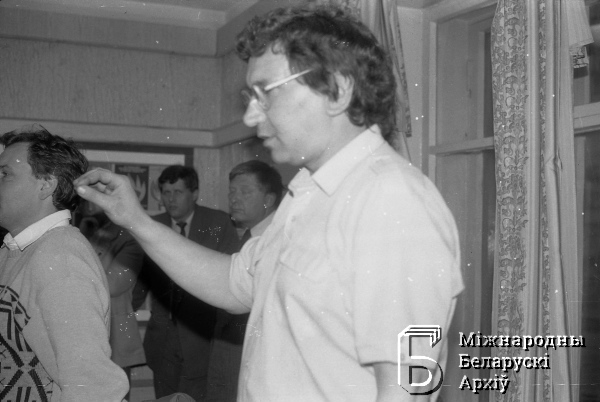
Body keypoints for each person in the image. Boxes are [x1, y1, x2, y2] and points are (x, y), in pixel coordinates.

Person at [75, 5, 464, 402]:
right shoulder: (308, 194)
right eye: (251, 96)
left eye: (266, 92)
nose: (250, 115)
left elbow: (409, 385)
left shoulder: (390, 199)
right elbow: (233, 283)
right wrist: (136, 220)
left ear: (337, 89)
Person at [0, 125, 128, 401]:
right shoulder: (15, 250)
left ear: (46, 184)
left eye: (5, 174)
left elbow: (94, 387)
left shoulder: (61, 258)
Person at [136, 165, 240, 401]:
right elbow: (138, 281)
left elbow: (231, 280)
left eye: (178, 192)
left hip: (203, 339)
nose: (171, 199)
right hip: (162, 340)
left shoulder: (218, 222)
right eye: (166, 192)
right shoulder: (152, 226)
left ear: (194, 194)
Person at [206, 160, 284, 402]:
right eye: (232, 191)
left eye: (245, 192)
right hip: (227, 351)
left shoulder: (279, 241)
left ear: (269, 199)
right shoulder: (241, 237)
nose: (234, 199)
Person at [80, 199, 146, 401]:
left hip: (115, 340)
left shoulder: (129, 240)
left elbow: (113, 285)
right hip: (85, 338)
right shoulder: (85, 233)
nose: (89, 203)